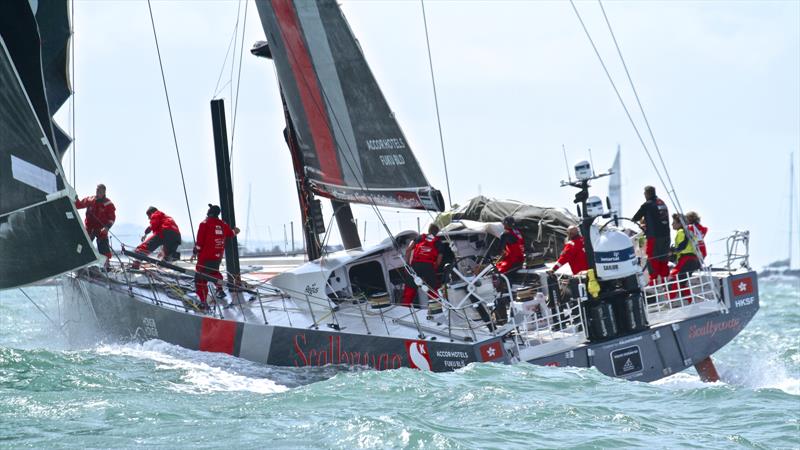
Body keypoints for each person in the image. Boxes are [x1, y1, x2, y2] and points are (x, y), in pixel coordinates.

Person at [192, 204, 239, 309]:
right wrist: (235, 231)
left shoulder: (204, 224)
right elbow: (231, 233)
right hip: (217, 258)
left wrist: (195, 252)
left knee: (200, 279)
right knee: (214, 273)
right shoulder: (223, 224)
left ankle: (203, 302)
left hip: (205, 258)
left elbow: (199, 244)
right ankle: (219, 290)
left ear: (209, 213)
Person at [631, 185, 670, 284]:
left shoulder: (647, 205)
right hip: (666, 236)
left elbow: (635, 218)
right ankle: (665, 282)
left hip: (654, 236)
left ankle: (654, 283)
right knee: (663, 259)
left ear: (647, 194)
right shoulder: (662, 202)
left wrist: (642, 221)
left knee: (653, 259)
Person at [401, 224, 446, 307]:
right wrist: (433, 268)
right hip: (428, 266)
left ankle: (405, 308)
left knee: (409, 290)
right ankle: (436, 307)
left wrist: (407, 265)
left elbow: (408, 250)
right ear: (437, 232)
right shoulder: (438, 242)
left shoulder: (420, 238)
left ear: (428, 230)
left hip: (415, 265)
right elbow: (439, 260)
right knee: (433, 289)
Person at [75, 183, 116, 268]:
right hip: (89, 228)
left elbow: (112, 218)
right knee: (84, 245)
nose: (98, 192)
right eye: (97, 190)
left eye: (100, 190)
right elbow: (78, 205)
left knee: (103, 246)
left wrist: (107, 227)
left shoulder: (108, 204)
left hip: (101, 229)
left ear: (104, 192)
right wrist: (73, 198)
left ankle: (106, 265)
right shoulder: (90, 200)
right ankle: (81, 264)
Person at [669, 213, 701, 301]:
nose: (672, 224)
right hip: (694, 260)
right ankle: (690, 301)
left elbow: (683, 245)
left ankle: (670, 300)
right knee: (682, 283)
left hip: (687, 259)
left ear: (680, 224)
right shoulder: (689, 232)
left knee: (673, 278)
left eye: (674, 222)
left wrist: (673, 251)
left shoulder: (681, 232)